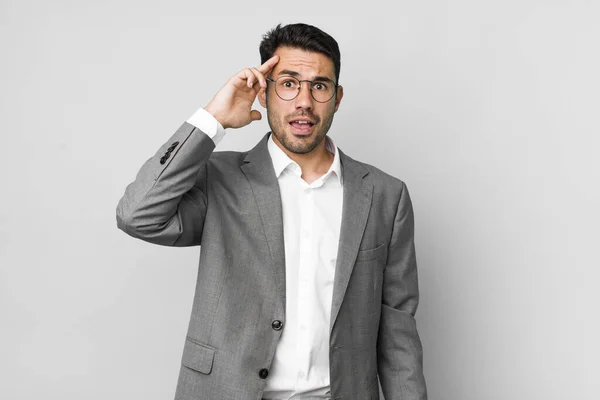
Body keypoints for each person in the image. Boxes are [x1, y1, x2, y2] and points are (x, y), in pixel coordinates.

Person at [116, 22, 427, 400]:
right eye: (289, 83)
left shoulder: (384, 196)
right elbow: (138, 215)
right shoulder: (221, 178)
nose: (304, 102)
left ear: (338, 96)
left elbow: (398, 335)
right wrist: (213, 120)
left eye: (319, 86)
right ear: (264, 93)